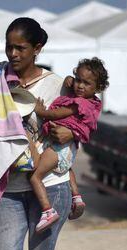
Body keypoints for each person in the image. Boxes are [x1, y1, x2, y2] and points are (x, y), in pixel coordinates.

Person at [0, 17, 78, 250]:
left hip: (51, 186)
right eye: (8, 47)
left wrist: (71, 131)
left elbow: (84, 119)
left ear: (37, 48)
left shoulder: (57, 85)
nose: (13, 54)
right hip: (10, 187)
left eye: (21, 48)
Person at [28, 58, 107, 233]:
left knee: (35, 177)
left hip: (59, 149)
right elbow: (68, 82)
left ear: (98, 87)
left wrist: (41, 111)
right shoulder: (92, 103)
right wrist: (69, 81)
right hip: (67, 151)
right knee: (66, 170)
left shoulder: (78, 104)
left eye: (87, 83)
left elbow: (56, 114)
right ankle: (77, 197)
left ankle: (47, 211)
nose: (80, 86)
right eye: (78, 80)